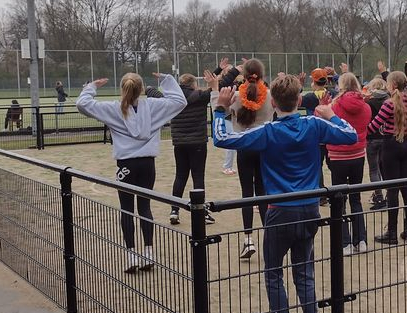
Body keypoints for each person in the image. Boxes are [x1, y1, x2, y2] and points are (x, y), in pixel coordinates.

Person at [212, 74, 357, 313]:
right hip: (309, 208)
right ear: (300, 100)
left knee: (273, 274)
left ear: (273, 102)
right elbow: (350, 136)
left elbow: (222, 138)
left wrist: (220, 109)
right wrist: (332, 115)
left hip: (279, 211)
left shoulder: (268, 131)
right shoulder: (314, 125)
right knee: (304, 272)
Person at [76, 72, 186, 273]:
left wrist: (92, 86)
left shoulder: (113, 108)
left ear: (122, 89)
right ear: (142, 89)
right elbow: (179, 101)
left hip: (125, 165)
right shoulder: (153, 106)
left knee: (126, 208)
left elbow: (83, 104)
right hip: (147, 164)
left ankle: (131, 256)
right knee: (145, 207)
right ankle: (149, 253)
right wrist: (167, 80)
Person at [212, 59, 274, 259]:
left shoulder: (236, 96)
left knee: (247, 193)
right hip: (264, 146)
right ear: (262, 76)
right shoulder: (270, 96)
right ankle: (268, 239)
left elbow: (218, 103)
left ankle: (248, 239)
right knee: (263, 193)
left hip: (244, 146)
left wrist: (216, 87)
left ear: (243, 76)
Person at [369, 71, 407, 244]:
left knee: (392, 189)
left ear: (393, 85)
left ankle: (391, 232)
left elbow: (375, 125)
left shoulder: (389, 104)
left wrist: (362, 132)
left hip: (391, 145)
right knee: (406, 187)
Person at [328, 73, 372, 255]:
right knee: (356, 198)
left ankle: (345, 242)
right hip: (357, 154)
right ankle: (360, 240)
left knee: (339, 200)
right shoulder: (366, 106)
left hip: (338, 155)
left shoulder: (334, 106)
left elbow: (324, 119)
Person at [165, 73, 214, 227]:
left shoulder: (175, 99)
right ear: (193, 84)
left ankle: (174, 210)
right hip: (198, 142)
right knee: (198, 177)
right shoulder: (200, 96)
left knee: (180, 176)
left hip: (179, 143)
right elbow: (217, 86)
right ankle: (201, 212)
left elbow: (155, 93)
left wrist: (151, 86)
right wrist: (226, 72)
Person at [364, 76, 390, 209]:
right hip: (385, 136)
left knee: (374, 169)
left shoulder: (369, 102)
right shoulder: (389, 101)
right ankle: (389, 195)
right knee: (384, 168)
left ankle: (379, 197)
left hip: (372, 137)